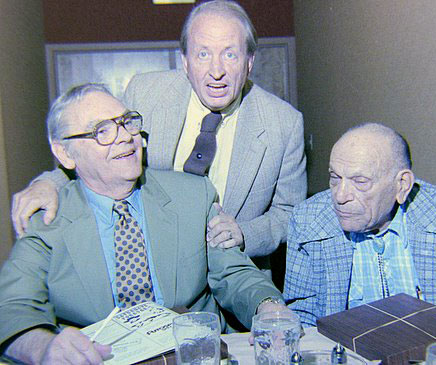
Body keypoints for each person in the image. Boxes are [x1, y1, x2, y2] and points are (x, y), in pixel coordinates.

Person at [0, 84, 288, 364]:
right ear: (65, 153)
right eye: (102, 131)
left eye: (127, 123)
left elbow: (234, 274)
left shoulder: (193, 195)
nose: (125, 137)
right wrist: (43, 349)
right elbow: (11, 307)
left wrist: (269, 308)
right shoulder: (47, 219)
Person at [11, 0, 307, 271]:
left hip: (235, 273)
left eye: (230, 54)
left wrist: (244, 234)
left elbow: (289, 214)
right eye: (203, 54)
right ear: (186, 61)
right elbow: (102, 149)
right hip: (150, 270)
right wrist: (51, 182)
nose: (217, 71)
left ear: (250, 62)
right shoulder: (146, 93)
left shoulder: (284, 123)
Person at [283, 123, 436, 327]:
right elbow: (302, 314)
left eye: (360, 181)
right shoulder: (308, 219)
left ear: (402, 185)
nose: (340, 196)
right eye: (335, 178)